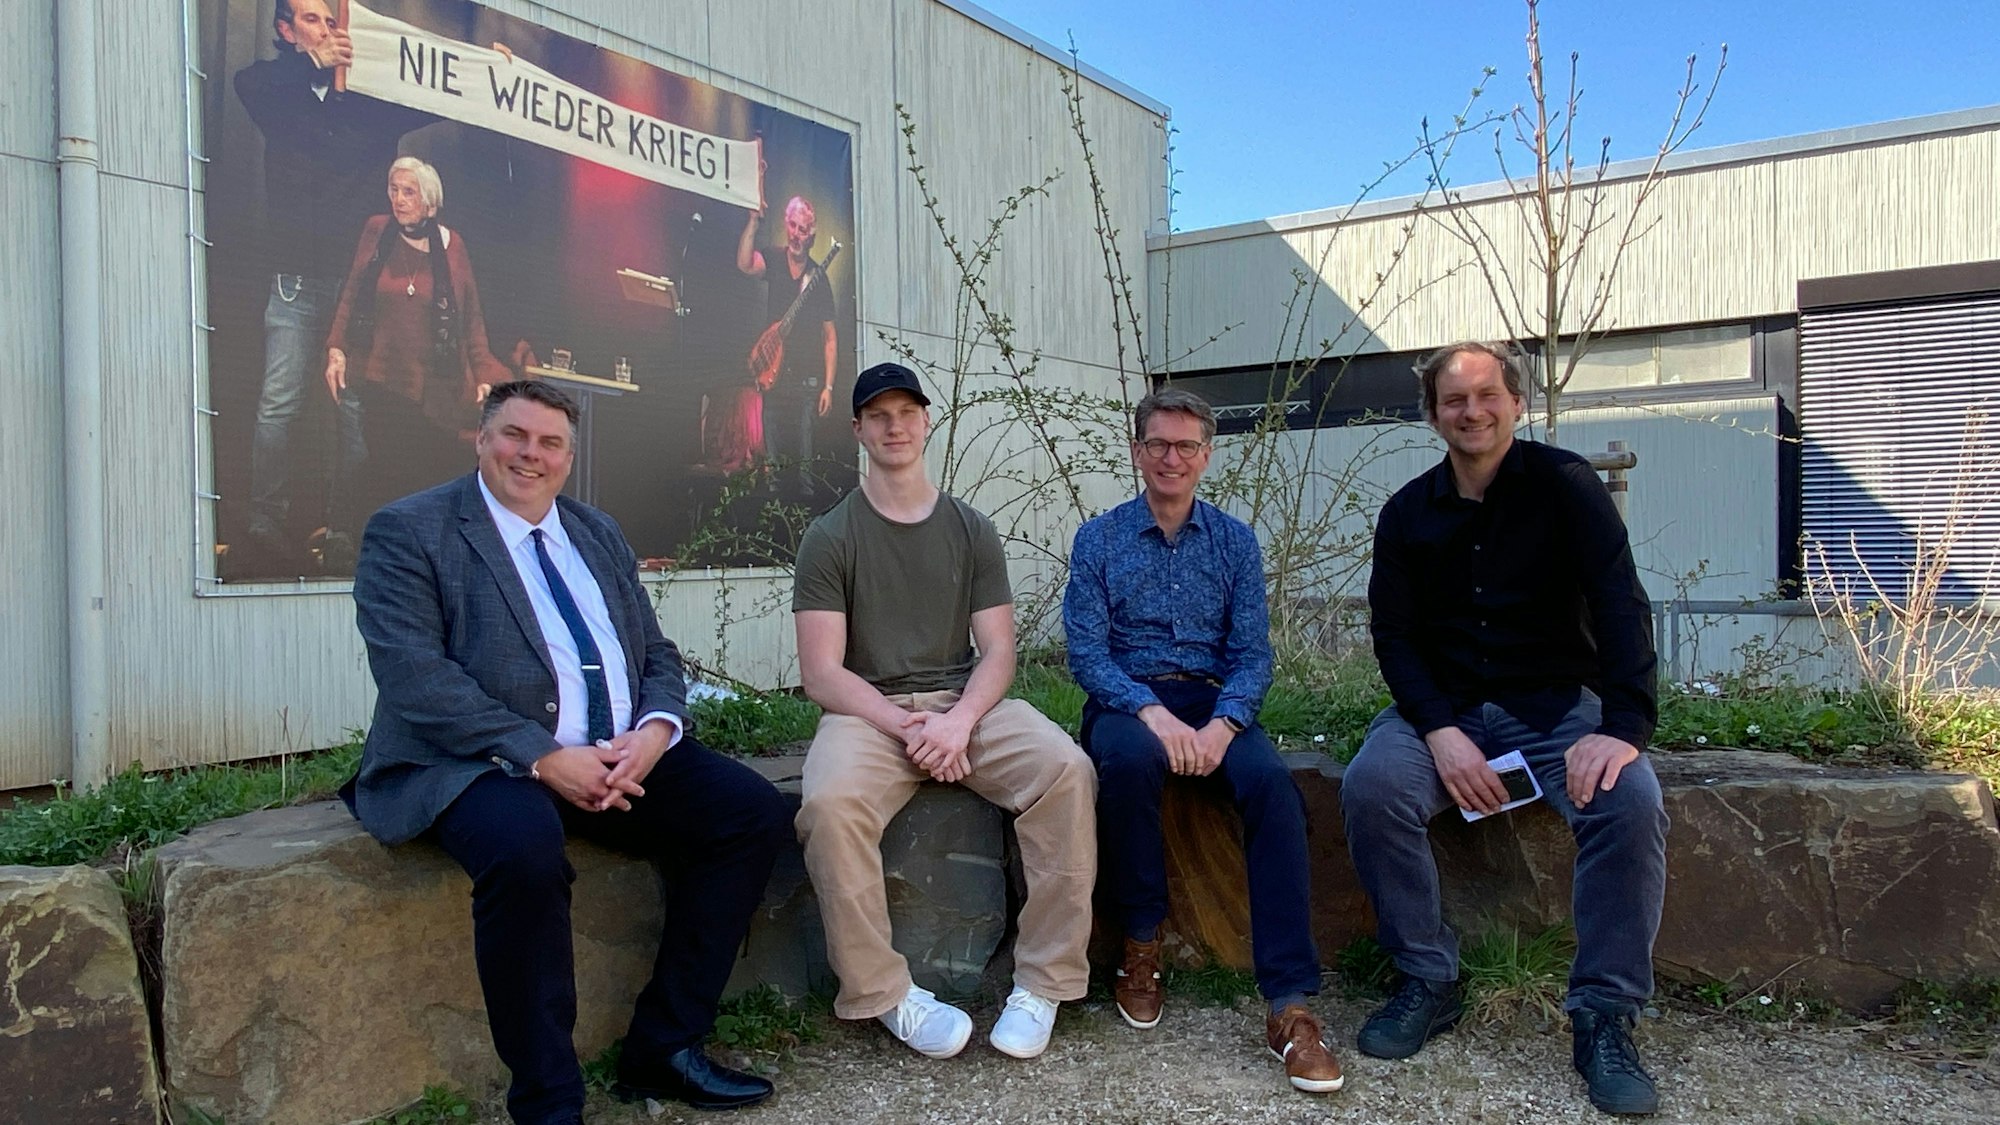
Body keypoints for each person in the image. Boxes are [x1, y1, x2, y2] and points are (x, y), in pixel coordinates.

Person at [345, 380, 790, 1123]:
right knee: (524, 847)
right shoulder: (410, 530)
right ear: (481, 439)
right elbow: (415, 676)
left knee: (749, 812)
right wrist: (543, 757)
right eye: (514, 435)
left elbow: (655, 652)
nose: (531, 454)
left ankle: (664, 1047)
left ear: (569, 457)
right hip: (475, 761)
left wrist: (656, 731)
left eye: (550, 442)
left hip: (613, 752)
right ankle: (549, 1101)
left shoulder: (596, 531)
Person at [1344, 341, 1667, 1116]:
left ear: (1516, 402)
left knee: (1629, 803)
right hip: (1445, 708)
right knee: (1372, 787)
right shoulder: (1407, 513)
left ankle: (1604, 1013)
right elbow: (1395, 637)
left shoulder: (1567, 486)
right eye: (1454, 399)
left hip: (1555, 709)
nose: (1472, 411)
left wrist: (1624, 726)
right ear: (1433, 415)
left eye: (1487, 394)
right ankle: (1428, 976)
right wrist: (1438, 730)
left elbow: (1620, 603)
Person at [792, 362, 1096, 1062]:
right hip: (869, 713)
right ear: (858, 429)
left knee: (1066, 770)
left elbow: (999, 650)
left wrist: (956, 724)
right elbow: (823, 673)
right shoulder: (830, 537)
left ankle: (1044, 981)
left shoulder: (971, 528)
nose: (895, 426)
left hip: (965, 702)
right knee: (830, 806)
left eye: (907, 412)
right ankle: (885, 993)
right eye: (879, 415)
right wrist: (909, 728)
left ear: (927, 422)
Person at [1063, 387, 1344, 1096]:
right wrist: (1151, 712)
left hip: (1214, 700)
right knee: (1127, 764)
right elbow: (1087, 654)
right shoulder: (1098, 539)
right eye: (1158, 443)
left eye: (1186, 446)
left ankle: (1289, 1002)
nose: (1172, 457)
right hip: (1128, 700)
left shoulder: (1234, 541)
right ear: (1137, 451)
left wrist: (1225, 723)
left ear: (1207, 455)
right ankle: (1141, 942)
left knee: (1271, 786)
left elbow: (1252, 655)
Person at [232, 0, 432, 568]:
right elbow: (249, 85)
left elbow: (442, 98)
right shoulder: (276, 88)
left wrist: (488, 70)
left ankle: (348, 530)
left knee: (355, 412)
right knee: (278, 404)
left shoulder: (371, 100)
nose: (326, 28)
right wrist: (312, 65)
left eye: (330, 18)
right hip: (294, 280)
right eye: (312, 19)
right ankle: (264, 525)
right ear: (285, 30)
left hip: (358, 290)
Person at [325, 156, 517, 528]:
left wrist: (483, 373)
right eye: (394, 190)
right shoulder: (377, 231)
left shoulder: (452, 246)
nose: (398, 200)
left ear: (430, 203)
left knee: (422, 481)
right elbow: (352, 292)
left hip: (434, 386)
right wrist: (337, 348)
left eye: (409, 192)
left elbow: (470, 317)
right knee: (382, 475)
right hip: (382, 378)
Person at [737, 194, 836, 489]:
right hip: (773, 377)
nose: (796, 234)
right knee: (773, 470)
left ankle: (805, 510)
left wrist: (828, 387)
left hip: (805, 381)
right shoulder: (773, 258)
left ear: (811, 235)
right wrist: (753, 222)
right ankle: (772, 508)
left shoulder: (818, 278)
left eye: (802, 229)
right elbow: (744, 265)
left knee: (804, 465)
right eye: (792, 226)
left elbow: (830, 337)